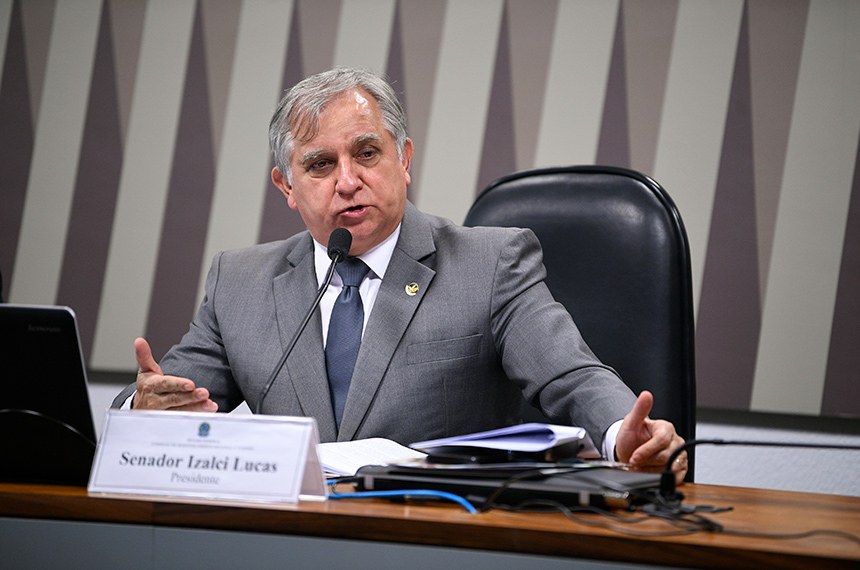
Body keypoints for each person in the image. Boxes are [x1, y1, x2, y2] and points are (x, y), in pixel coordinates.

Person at [113, 67, 687, 482]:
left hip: (439, 538)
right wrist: (144, 412)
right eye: (320, 164)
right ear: (286, 186)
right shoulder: (239, 283)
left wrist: (623, 435)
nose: (347, 181)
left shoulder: (490, 265)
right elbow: (167, 398)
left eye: (367, 154)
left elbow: (572, 375)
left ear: (404, 160)